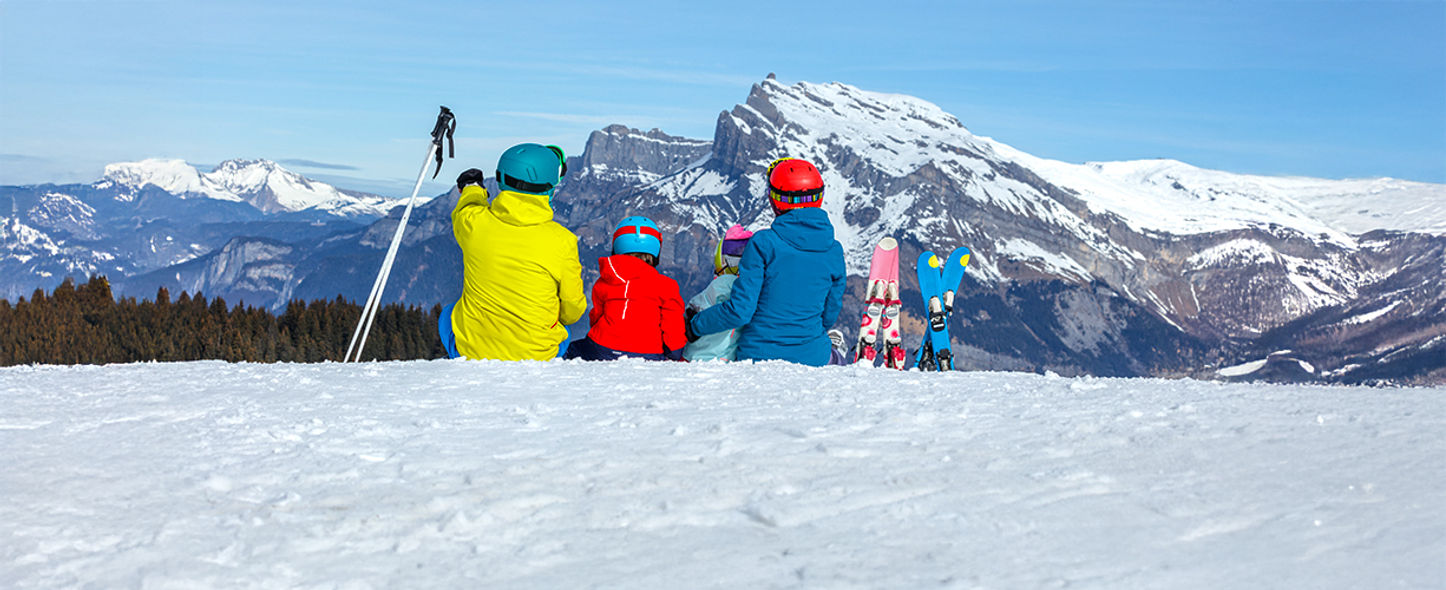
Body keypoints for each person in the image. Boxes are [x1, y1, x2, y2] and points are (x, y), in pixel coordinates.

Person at [686, 158, 846, 367]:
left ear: (775, 200)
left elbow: (740, 311)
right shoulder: (834, 251)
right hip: (812, 354)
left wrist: (695, 325)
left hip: (757, 355)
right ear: (819, 197)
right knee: (839, 360)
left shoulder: (763, 243)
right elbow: (829, 315)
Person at [440, 143, 586, 361]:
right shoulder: (563, 241)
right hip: (537, 355)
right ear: (550, 186)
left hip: (473, 353)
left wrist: (472, 187)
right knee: (562, 332)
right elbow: (572, 311)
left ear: (500, 179)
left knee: (448, 315)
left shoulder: (474, 224)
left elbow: (466, 209)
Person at [564, 216, 688, 361]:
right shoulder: (667, 286)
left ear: (616, 246)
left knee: (571, 350)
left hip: (602, 348)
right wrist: (674, 354)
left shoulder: (605, 280)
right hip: (649, 352)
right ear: (656, 249)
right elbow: (673, 327)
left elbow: (596, 317)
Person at [681, 225, 753, 362]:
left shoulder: (723, 283)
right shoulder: (753, 289)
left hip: (699, 356)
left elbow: (696, 308)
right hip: (728, 357)